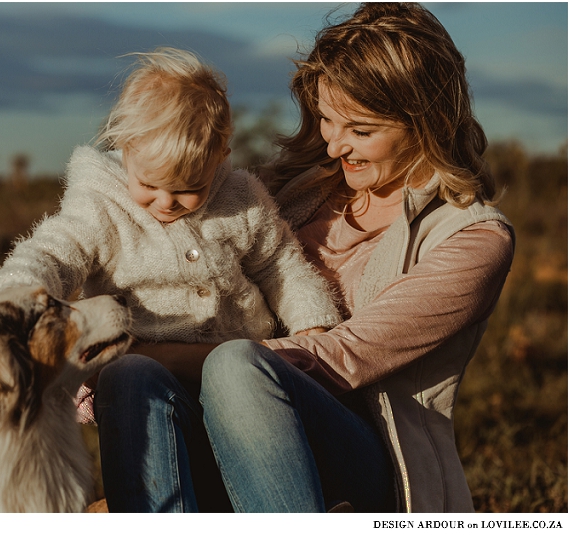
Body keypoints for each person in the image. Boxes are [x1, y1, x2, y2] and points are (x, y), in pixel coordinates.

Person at [96, 3, 515, 513]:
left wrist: (157, 352)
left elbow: (345, 356)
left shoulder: (472, 238)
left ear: (425, 122)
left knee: (234, 363)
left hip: (370, 463)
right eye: (325, 119)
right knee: (129, 377)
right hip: (230, 428)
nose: (335, 144)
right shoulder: (289, 190)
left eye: (360, 131)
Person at [0, 47, 341, 509]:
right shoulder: (101, 206)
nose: (167, 202)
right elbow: (53, 250)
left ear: (220, 156)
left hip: (242, 388)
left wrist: (312, 320)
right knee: (128, 375)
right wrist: (18, 295)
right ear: (125, 151)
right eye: (150, 186)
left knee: (238, 366)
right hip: (157, 381)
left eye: (188, 189)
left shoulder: (242, 200)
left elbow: (279, 264)